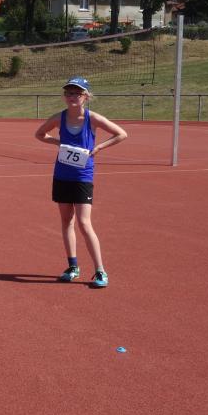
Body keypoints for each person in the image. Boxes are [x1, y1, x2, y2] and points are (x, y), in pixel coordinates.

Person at [34, 76, 127, 288]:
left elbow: (121, 134)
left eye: (76, 93)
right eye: (69, 93)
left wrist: (98, 148)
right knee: (66, 221)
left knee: (84, 223)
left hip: (82, 176)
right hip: (62, 175)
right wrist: (59, 142)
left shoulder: (92, 119)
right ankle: (73, 267)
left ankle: (100, 270)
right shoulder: (59, 118)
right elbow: (39, 134)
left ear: (85, 96)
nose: (72, 96)